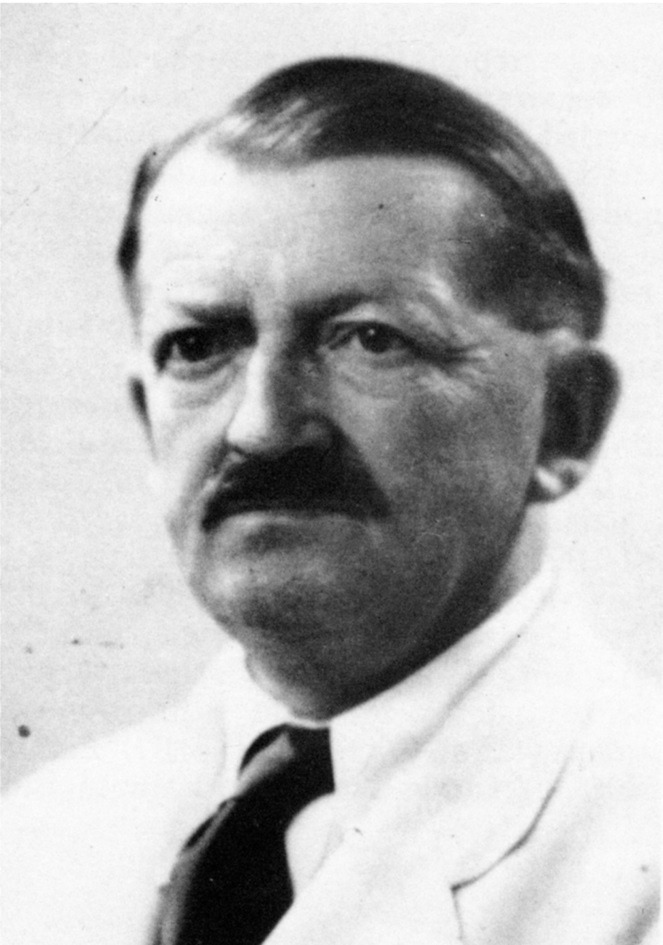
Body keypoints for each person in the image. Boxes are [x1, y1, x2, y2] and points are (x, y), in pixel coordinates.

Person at [3, 57, 658, 945]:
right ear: (144, 416)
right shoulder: (40, 841)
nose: (261, 428)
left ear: (563, 422)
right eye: (197, 346)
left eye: (370, 340)